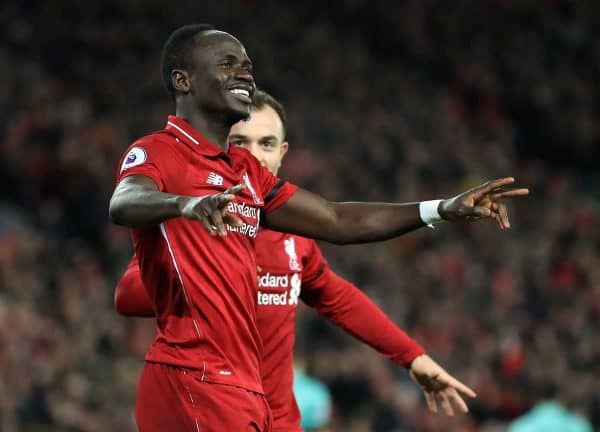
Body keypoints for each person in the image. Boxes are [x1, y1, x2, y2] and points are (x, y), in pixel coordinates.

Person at [108, 24, 528, 431]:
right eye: (226, 64)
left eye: (247, 65)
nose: (243, 73)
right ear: (183, 80)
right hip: (198, 379)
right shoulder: (159, 152)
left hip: (252, 397)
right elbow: (124, 202)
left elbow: (336, 220)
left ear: (284, 150)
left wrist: (440, 209)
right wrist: (187, 207)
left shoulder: (250, 181)